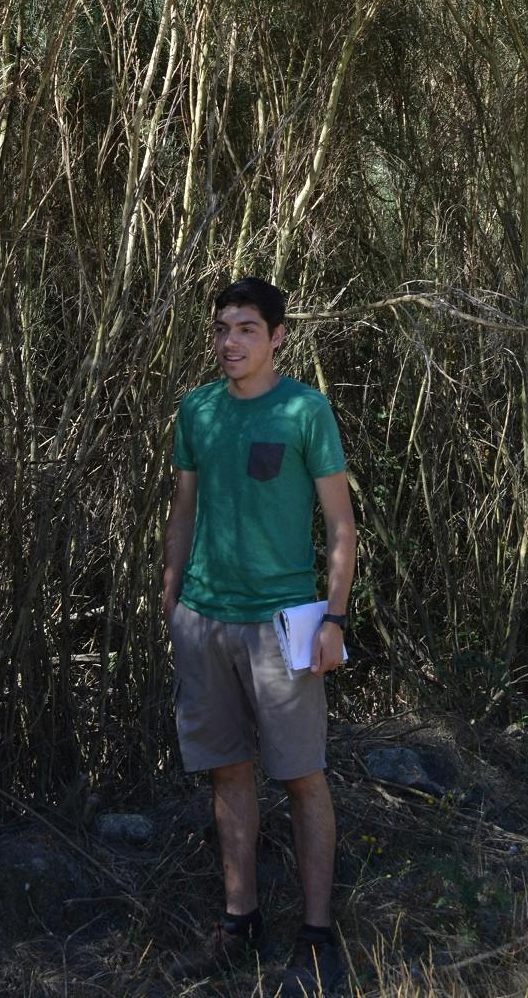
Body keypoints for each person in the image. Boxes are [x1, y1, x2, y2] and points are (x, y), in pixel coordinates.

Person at [163, 276, 357, 996]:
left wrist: (333, 617)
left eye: (246, 328)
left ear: (277, 336)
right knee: (226, 771)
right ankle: (236, 923)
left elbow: (341, 524)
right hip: (205, 618)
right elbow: (184, 508)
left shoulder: (305, 409)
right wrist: (171, 595)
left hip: (285, 624)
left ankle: (314, 936)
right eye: (221, 328)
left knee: (303, 776)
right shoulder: (198, 410)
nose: (230, 342)